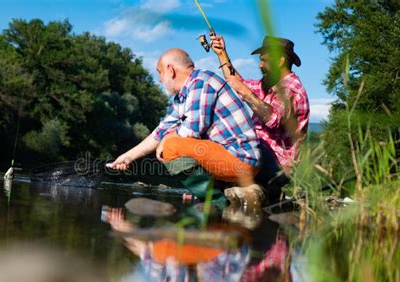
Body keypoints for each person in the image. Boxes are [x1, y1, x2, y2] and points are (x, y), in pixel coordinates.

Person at [108, 48, 262, 204]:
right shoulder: (184, 96)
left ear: (170, 70)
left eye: (159, 72)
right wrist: (127, 157)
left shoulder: (201, 81)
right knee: (169, 143)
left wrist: (167, 140)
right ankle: (217, 195)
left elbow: (191, 130)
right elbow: (160, 132)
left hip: (241, 159)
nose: (160, 79)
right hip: (229, 157)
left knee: (171, 146)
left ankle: (217, 202)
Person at [211, 35, 310, 193]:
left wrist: (243, 90)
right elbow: (236, 82)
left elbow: (273, 118)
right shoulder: (271, 84)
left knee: (222, 146)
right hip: (261, 155)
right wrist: (222, 53)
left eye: (264, 60)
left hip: (277, 166)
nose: (260, 65)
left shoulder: (291, 88)